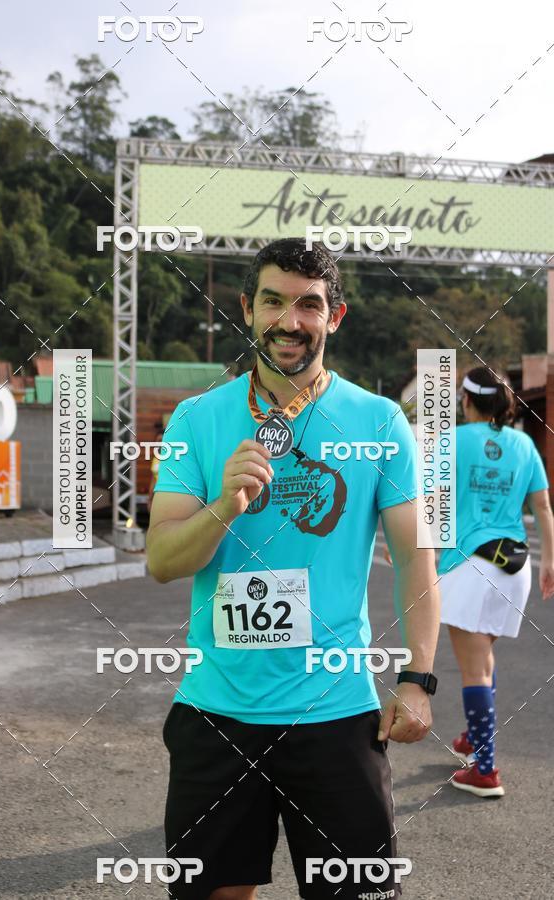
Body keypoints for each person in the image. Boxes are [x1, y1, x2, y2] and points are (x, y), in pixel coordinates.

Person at [147, 238, 440, 899]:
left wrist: (419, 676)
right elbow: (162, 559)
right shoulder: (198, 419)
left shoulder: (380, 421)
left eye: (310, 305)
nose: (290, 321)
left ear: (334, 317)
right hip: (217, 713)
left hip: (336, 715)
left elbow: (417, 554)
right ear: (249, 310)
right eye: (274, 301)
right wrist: (223, 505)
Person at [437, 366, 554, 798]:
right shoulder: (524, 443)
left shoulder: (450, 441)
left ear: (466, 401)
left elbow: (427, 503)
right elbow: (543, 508)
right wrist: (550, 562)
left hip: (469, 566)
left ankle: (484, 769)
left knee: (473, 666)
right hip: (515, 566)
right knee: (483, 657)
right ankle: (473, 736)